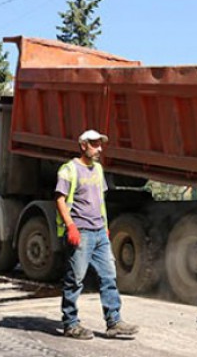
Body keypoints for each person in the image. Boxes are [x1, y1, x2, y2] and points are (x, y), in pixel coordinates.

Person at [55, 129, 139, 340]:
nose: (99, 148)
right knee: (75, 279)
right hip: (81, 231)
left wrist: (105, 226)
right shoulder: (69, 170)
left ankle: (114, 322)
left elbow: (99, 200)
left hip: (100, 232)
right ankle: (70, 324)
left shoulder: (98, 169)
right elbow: (60, 200)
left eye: (100, 144)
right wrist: (70, 226)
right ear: (83, 145)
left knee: (108, 276)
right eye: (94, 144)